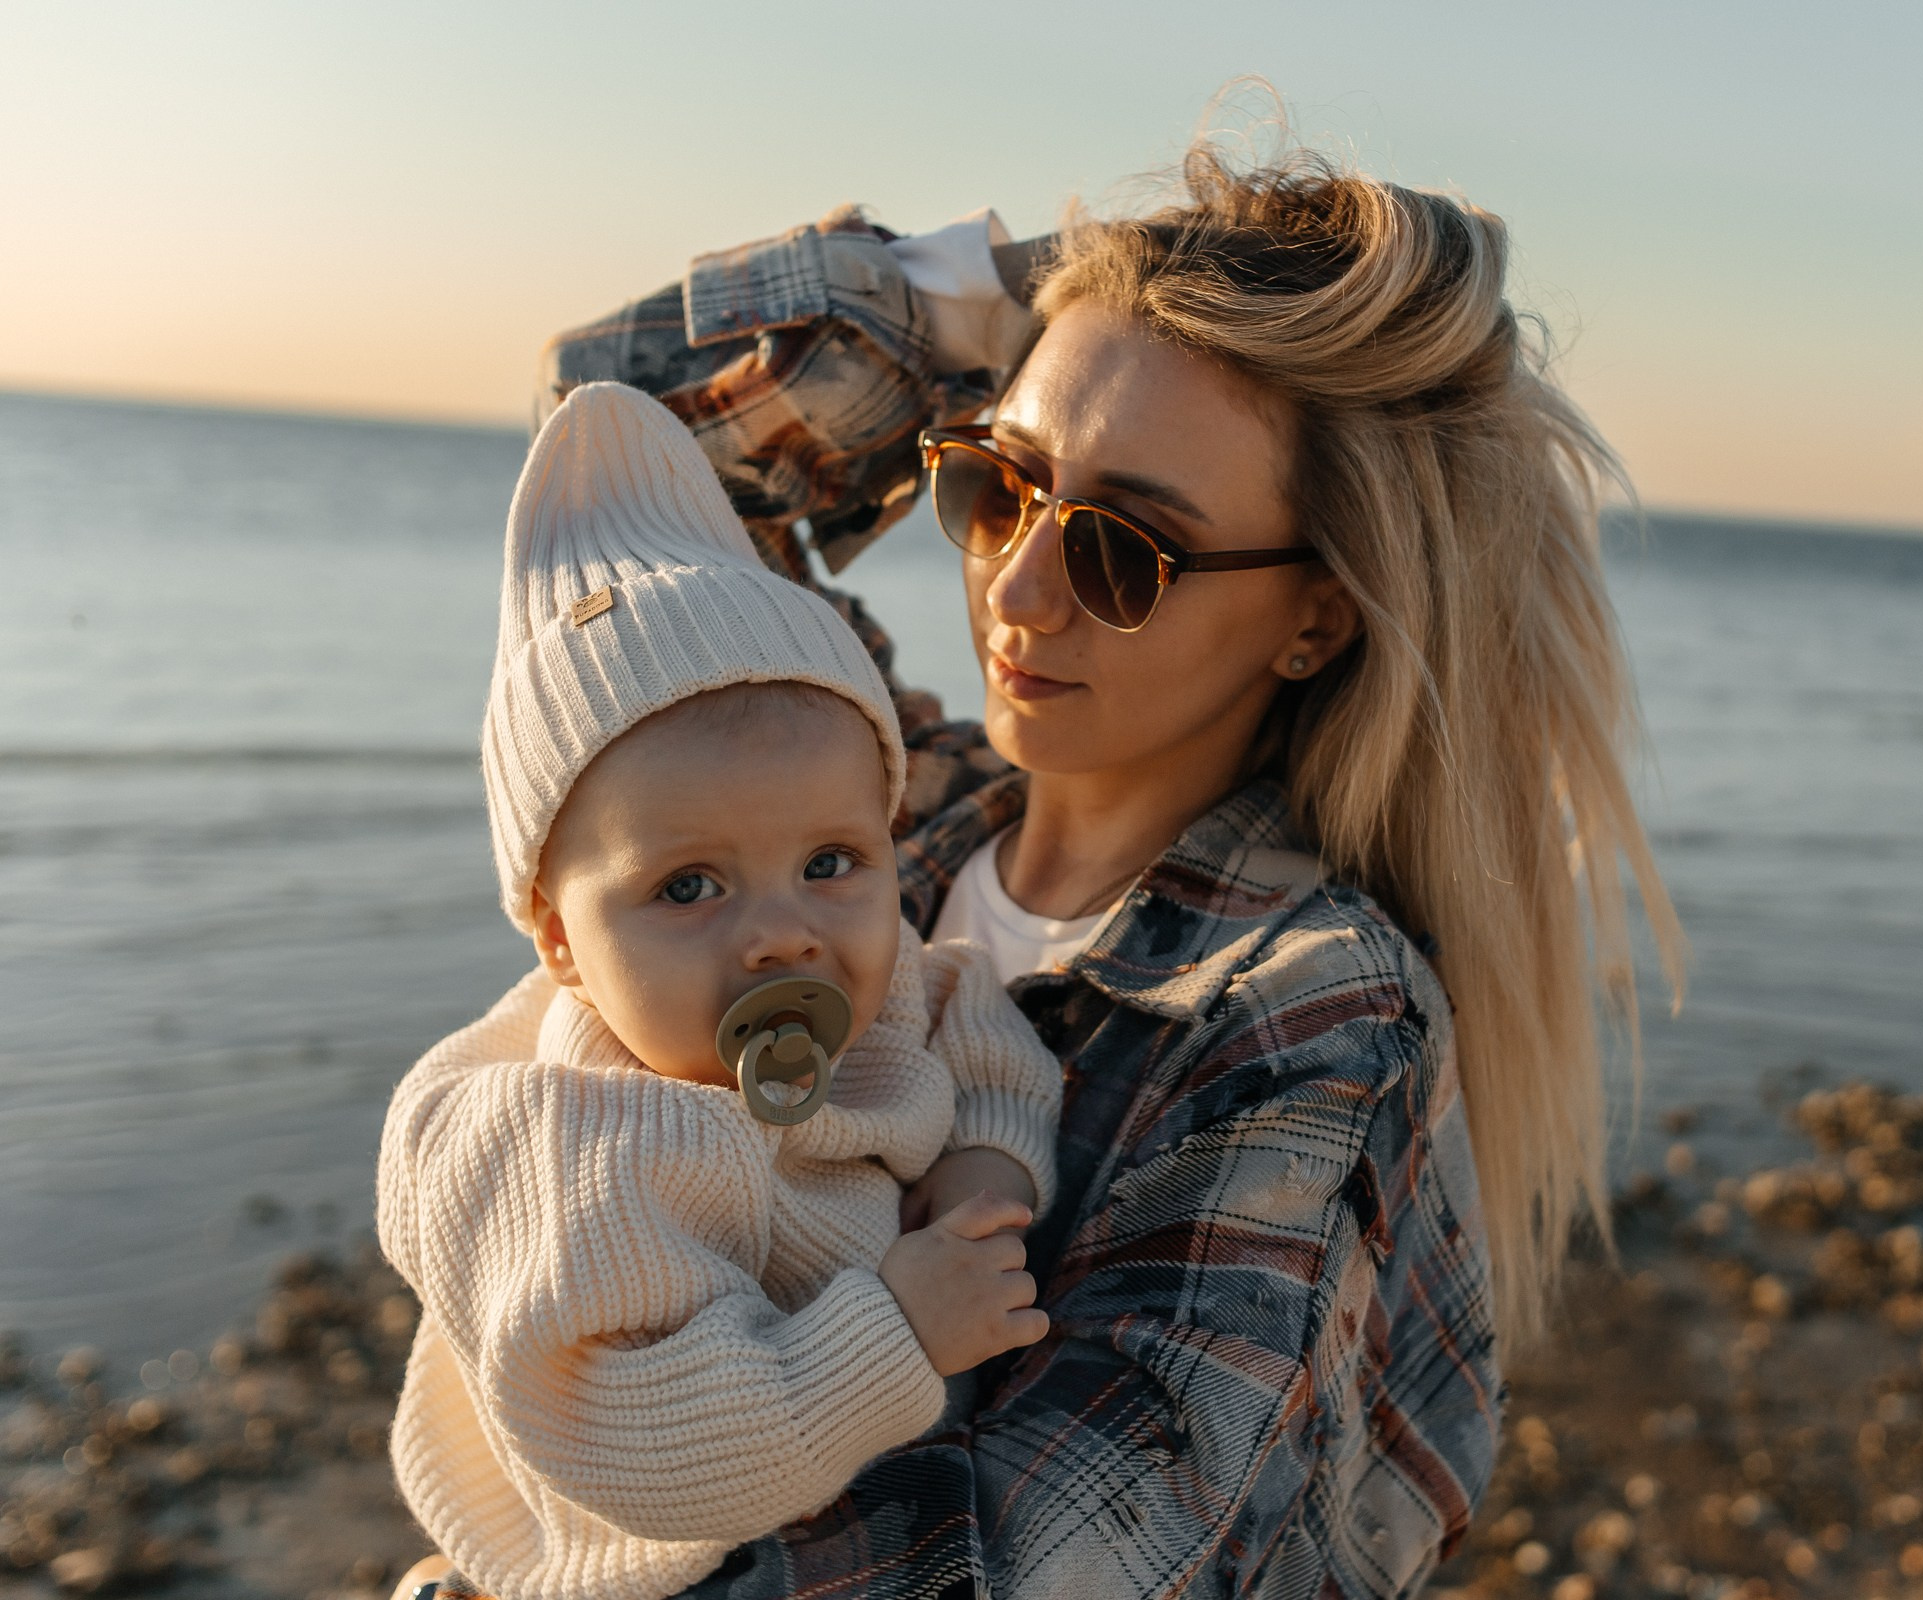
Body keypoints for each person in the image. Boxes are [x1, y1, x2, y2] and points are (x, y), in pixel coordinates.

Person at [431, 120, 1681, 1599]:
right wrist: (1009, 290)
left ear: (1316, 620)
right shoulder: (871, 816)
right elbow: (616, 436)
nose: (1016, 590)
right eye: (997, 486)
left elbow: (1054, 1561)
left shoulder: (1308, 1015)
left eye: (1123, 549)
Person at [378, 381, 1062, 1600]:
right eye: (690, 886)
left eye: (830, 862)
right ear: (562, 942)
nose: (782, 936)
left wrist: (988, 1164)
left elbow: (983, 1027)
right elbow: (651, 1452)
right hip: (639, 1555)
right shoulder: (573, 1145)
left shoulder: (887, 978)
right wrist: (893, 1334)